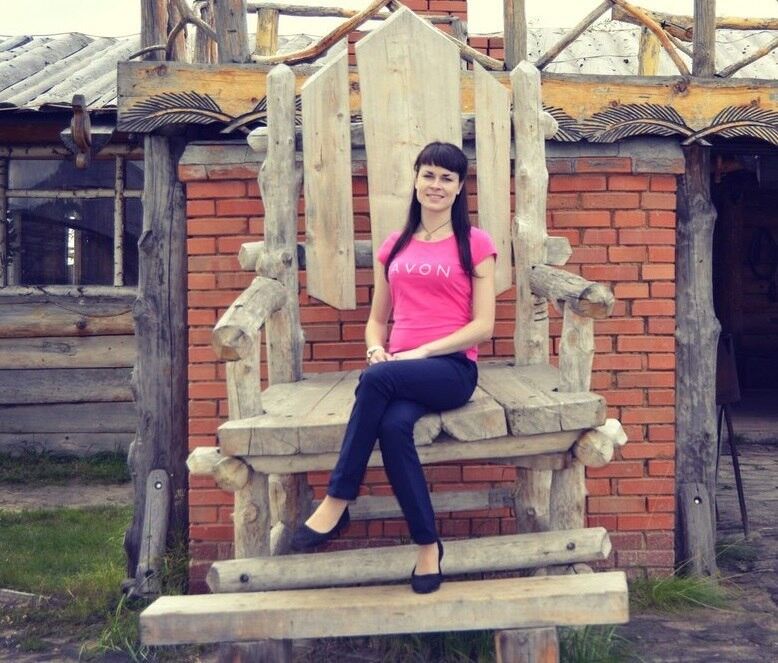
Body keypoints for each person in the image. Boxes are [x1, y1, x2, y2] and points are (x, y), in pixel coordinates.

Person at [291, 142, 497, 594]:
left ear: (460, 187)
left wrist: (420, 353)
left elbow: (484, 326)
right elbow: (376, 321)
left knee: (377, 381)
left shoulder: (476, 243)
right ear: (416, 179)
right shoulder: (395, 245)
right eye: (429, 175)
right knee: (392, 428)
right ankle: (427, 546)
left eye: (447, 178)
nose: (436, 185)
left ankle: (338, 498)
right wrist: (374, 351)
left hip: (450, 370)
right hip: (396, 373)